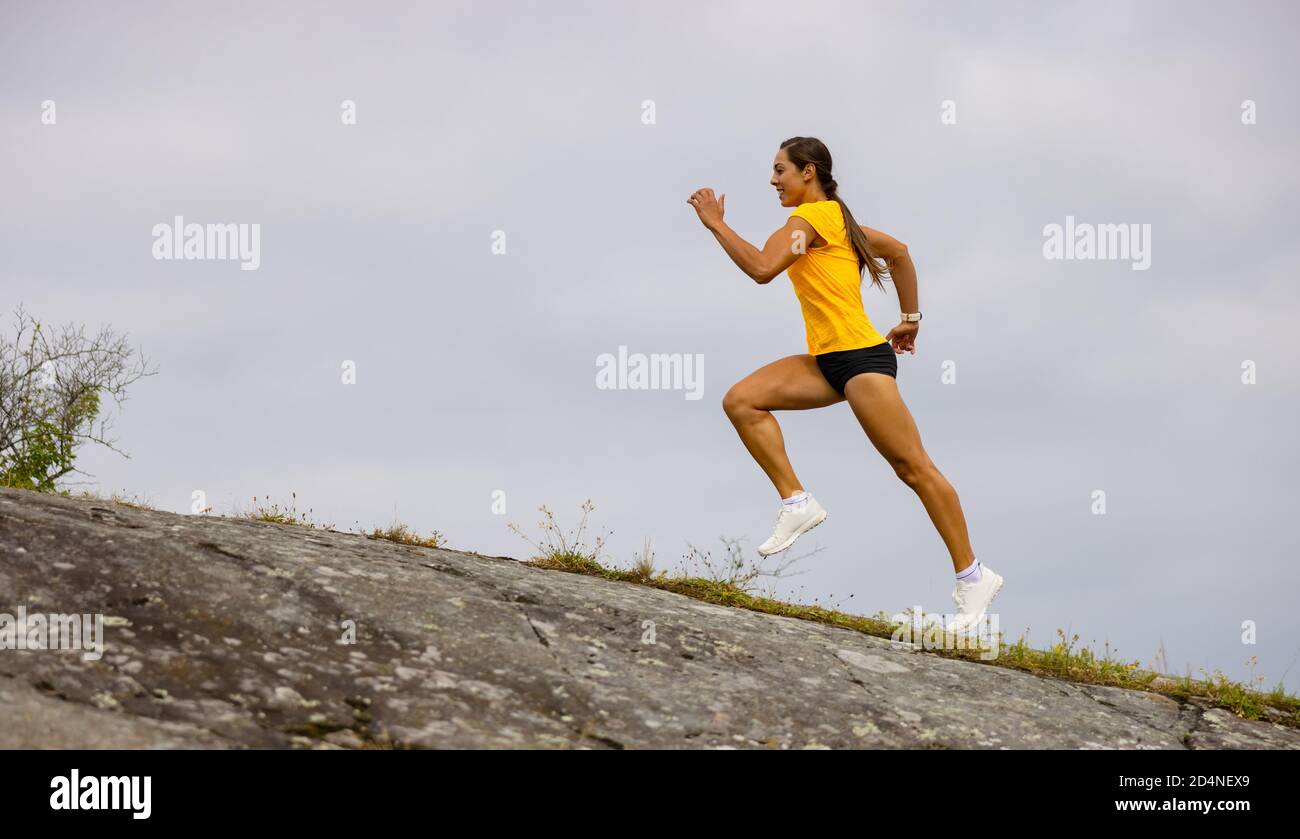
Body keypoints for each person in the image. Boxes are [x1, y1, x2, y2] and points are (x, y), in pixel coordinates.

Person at [686, 136, 1002, 634]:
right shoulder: (839, 223)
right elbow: (897, 251)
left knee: (913, 468)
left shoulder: (811, 221)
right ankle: (796, 502)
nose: (773, 181)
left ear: (808, 171)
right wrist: (910, 318)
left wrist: (716, 224)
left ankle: (974, 576)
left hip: (860, 361)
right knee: (742, 401)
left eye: (780, 171)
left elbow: (763, 269)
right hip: (826, 361)